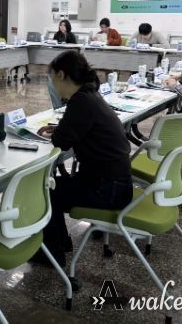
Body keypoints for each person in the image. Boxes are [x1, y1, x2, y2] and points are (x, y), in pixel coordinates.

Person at [32, 50, 132, 267]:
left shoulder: (80, 101)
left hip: (107, 190)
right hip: (116, 183)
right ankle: (60, 243)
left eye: (52, 78)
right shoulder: (90, 94)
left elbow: (60, 142)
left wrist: (60, 130)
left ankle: (53, 252)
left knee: (45, 192)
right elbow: (80, 128)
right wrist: (60, 127)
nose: (53, 84)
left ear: (61, 75)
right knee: (53, 188)